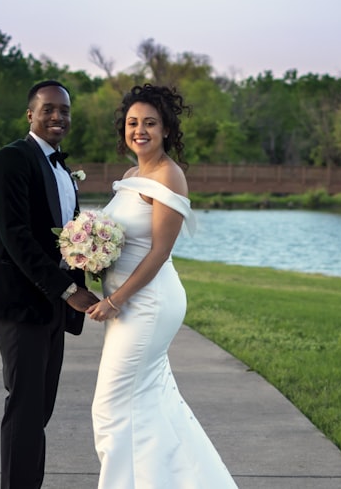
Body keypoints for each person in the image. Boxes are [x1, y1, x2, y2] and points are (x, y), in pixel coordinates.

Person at [87, 84, 237, 488]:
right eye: (133, 123)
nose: (140, 130)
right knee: (149, 402)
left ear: (167, 129)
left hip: (148, 303)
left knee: (111, 407)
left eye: (150, 123)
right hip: (128, 303)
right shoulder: (133, 174)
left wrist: (115, 299)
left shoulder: (170, 175)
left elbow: (158, 253)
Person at [0, 80, 100, 489]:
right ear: (30, 114)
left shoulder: (62, 168)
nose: (57, 117)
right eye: (48, 109)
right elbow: (16, 238)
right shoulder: (10, 160)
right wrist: (69, 290)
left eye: (64, 110)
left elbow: (67, 239)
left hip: (52, 304)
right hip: (21, 305)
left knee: (39, 410)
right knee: (25, 409)